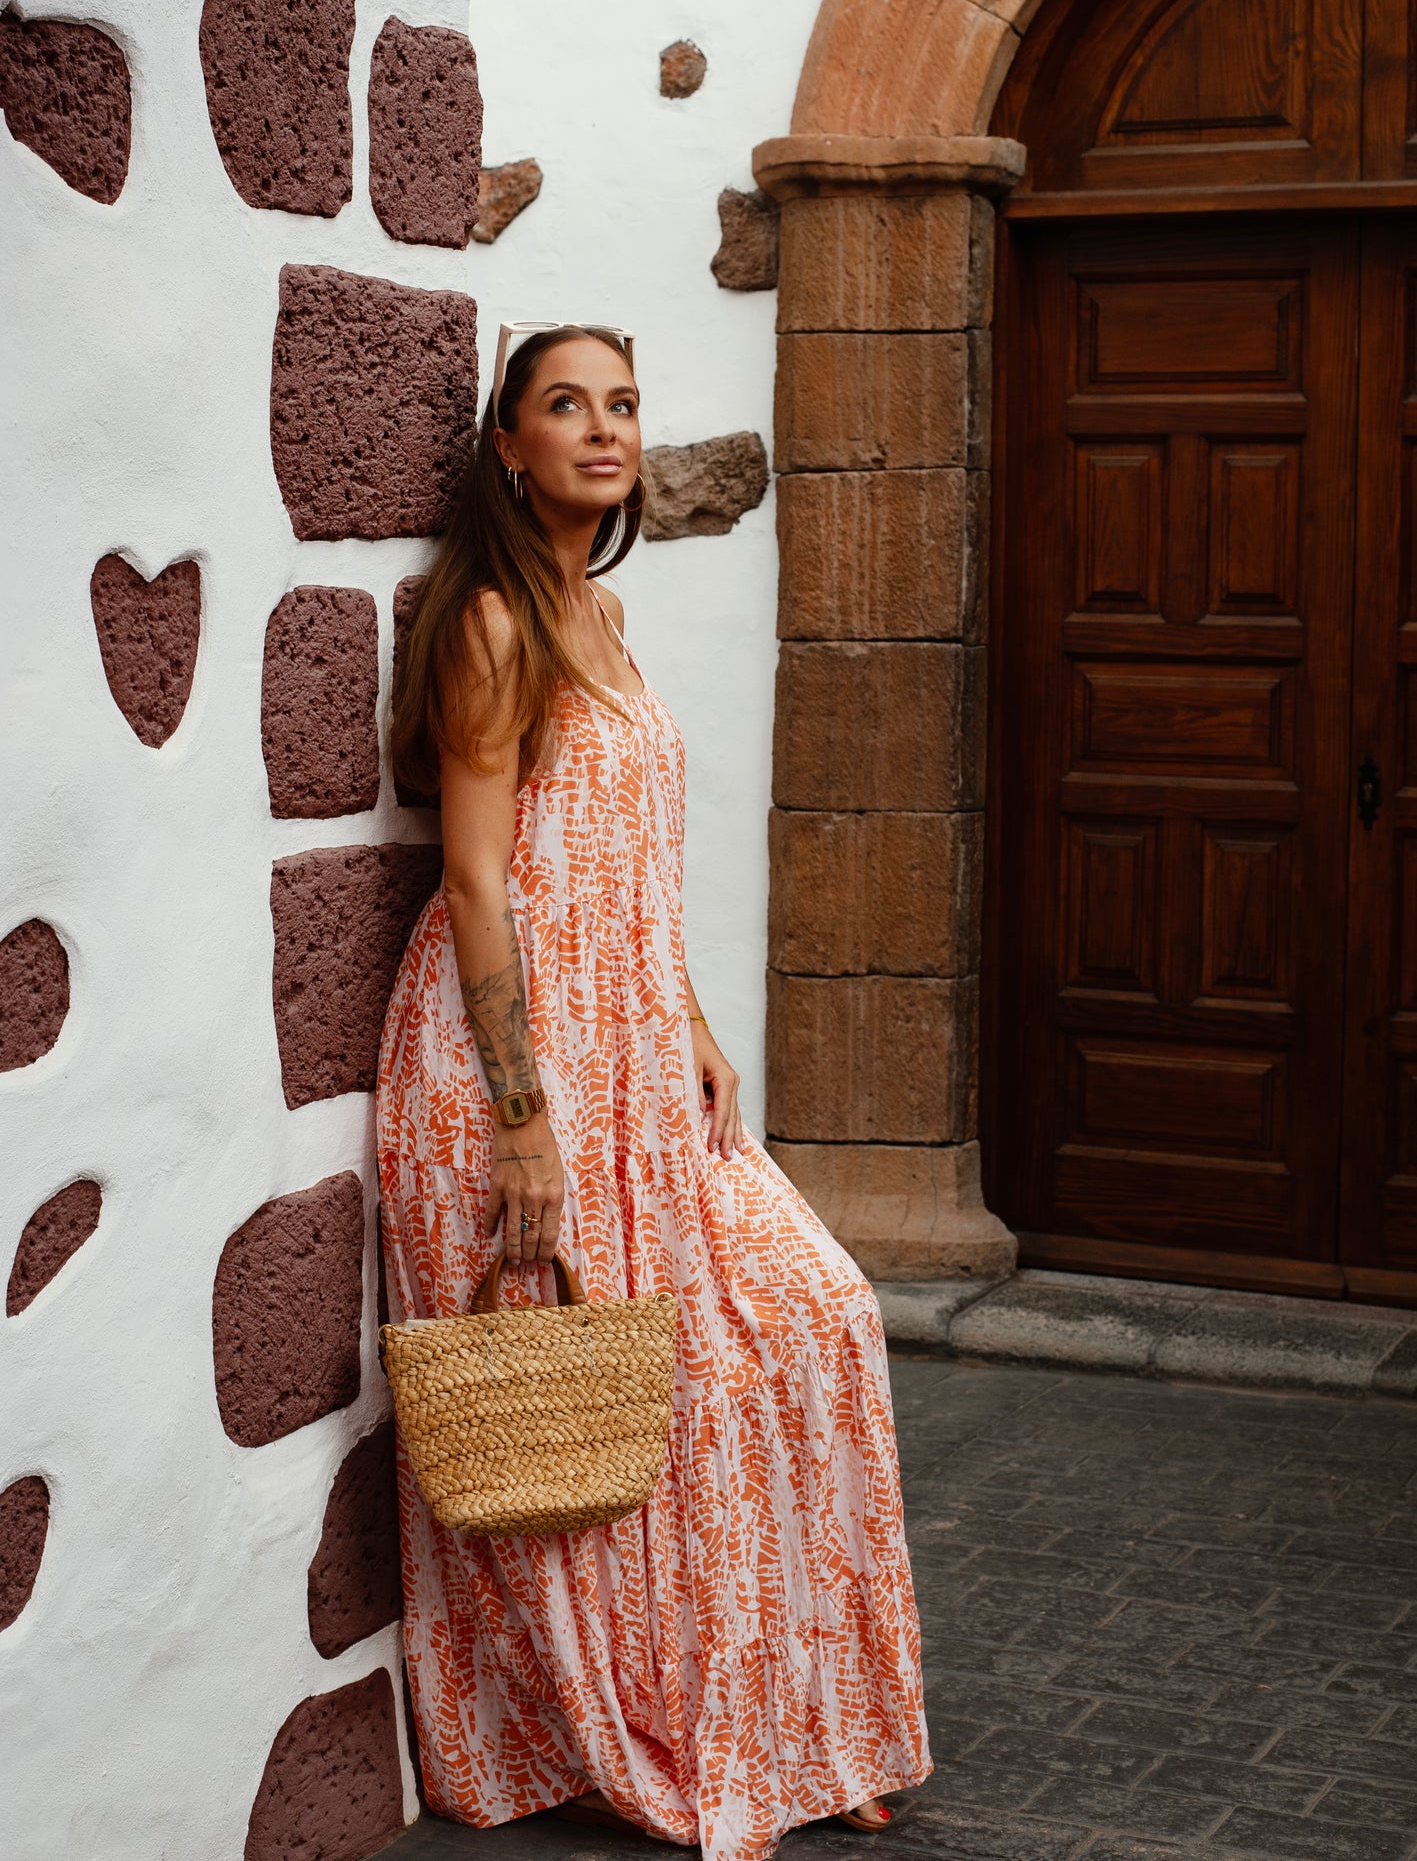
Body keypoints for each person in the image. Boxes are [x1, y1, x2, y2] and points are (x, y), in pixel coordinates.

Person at [377, 323, 930, 1861]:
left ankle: (784, 1719)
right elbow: (480, 879)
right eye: (566, 405)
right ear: (509, 445)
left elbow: (619, 851)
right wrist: (520, 1116)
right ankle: (642, 1737)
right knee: (591, 1417)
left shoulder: (599, 608)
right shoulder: (491, 622)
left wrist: (682, 1011)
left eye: (621, 404)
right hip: (519, 1069)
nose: (603, 430)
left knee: (808, 1318)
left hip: (633, 1053)